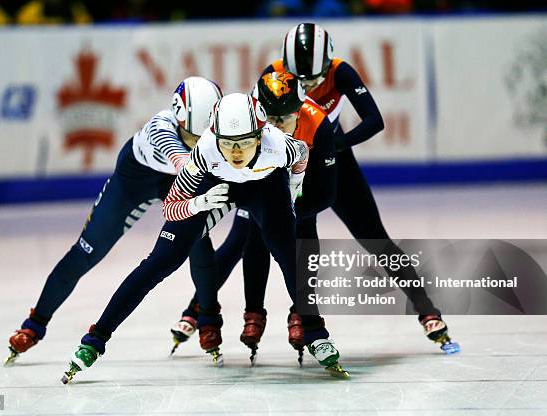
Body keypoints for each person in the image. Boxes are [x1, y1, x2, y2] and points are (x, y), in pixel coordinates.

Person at [60, 93, 349, 383]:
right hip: (214, 186)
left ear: (261, 136)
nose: (236, 153)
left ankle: (315, 331)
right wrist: (201, 202)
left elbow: (302, 154)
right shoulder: (203, 153)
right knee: (161, 261)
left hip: (264, 188)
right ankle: (95, 338)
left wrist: (291, 190)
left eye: (245, 142)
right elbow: (170, 208)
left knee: (289, 254)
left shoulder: (279, 146)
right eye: (228, 143)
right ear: (215, 136)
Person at [4, 76, 223, 365]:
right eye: (194, 136)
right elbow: (181, 161)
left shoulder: (209, 130)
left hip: (174, 181)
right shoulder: (161, 126)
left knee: (199, 241)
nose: (200, 142)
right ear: (179, 119)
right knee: (85, 252)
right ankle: (35, 323)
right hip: (133, 184)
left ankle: (207, 317)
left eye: (205, 136)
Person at [269, 22, 459, 353]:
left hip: (336, 167)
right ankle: (302, 312)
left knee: (375, 238)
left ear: (327, 63)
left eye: (314, 81)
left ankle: (426, 307)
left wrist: (332, 145)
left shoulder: (340, 71)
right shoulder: (274, 74)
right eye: (300, 81)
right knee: (303, 241)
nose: (307, 88)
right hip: (294, 169)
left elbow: (374, 120)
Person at [171, 71, 339, 364]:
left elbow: (326, 194)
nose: (277, 126)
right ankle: (211, 309)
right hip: (257, 181)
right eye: (270, 120)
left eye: (285, 119)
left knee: (301, 234)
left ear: (299, 111)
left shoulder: (315, 125)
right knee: (242, 239)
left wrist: (293, 198)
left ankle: (302, 315)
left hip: (300, 185)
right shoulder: (252, 129)